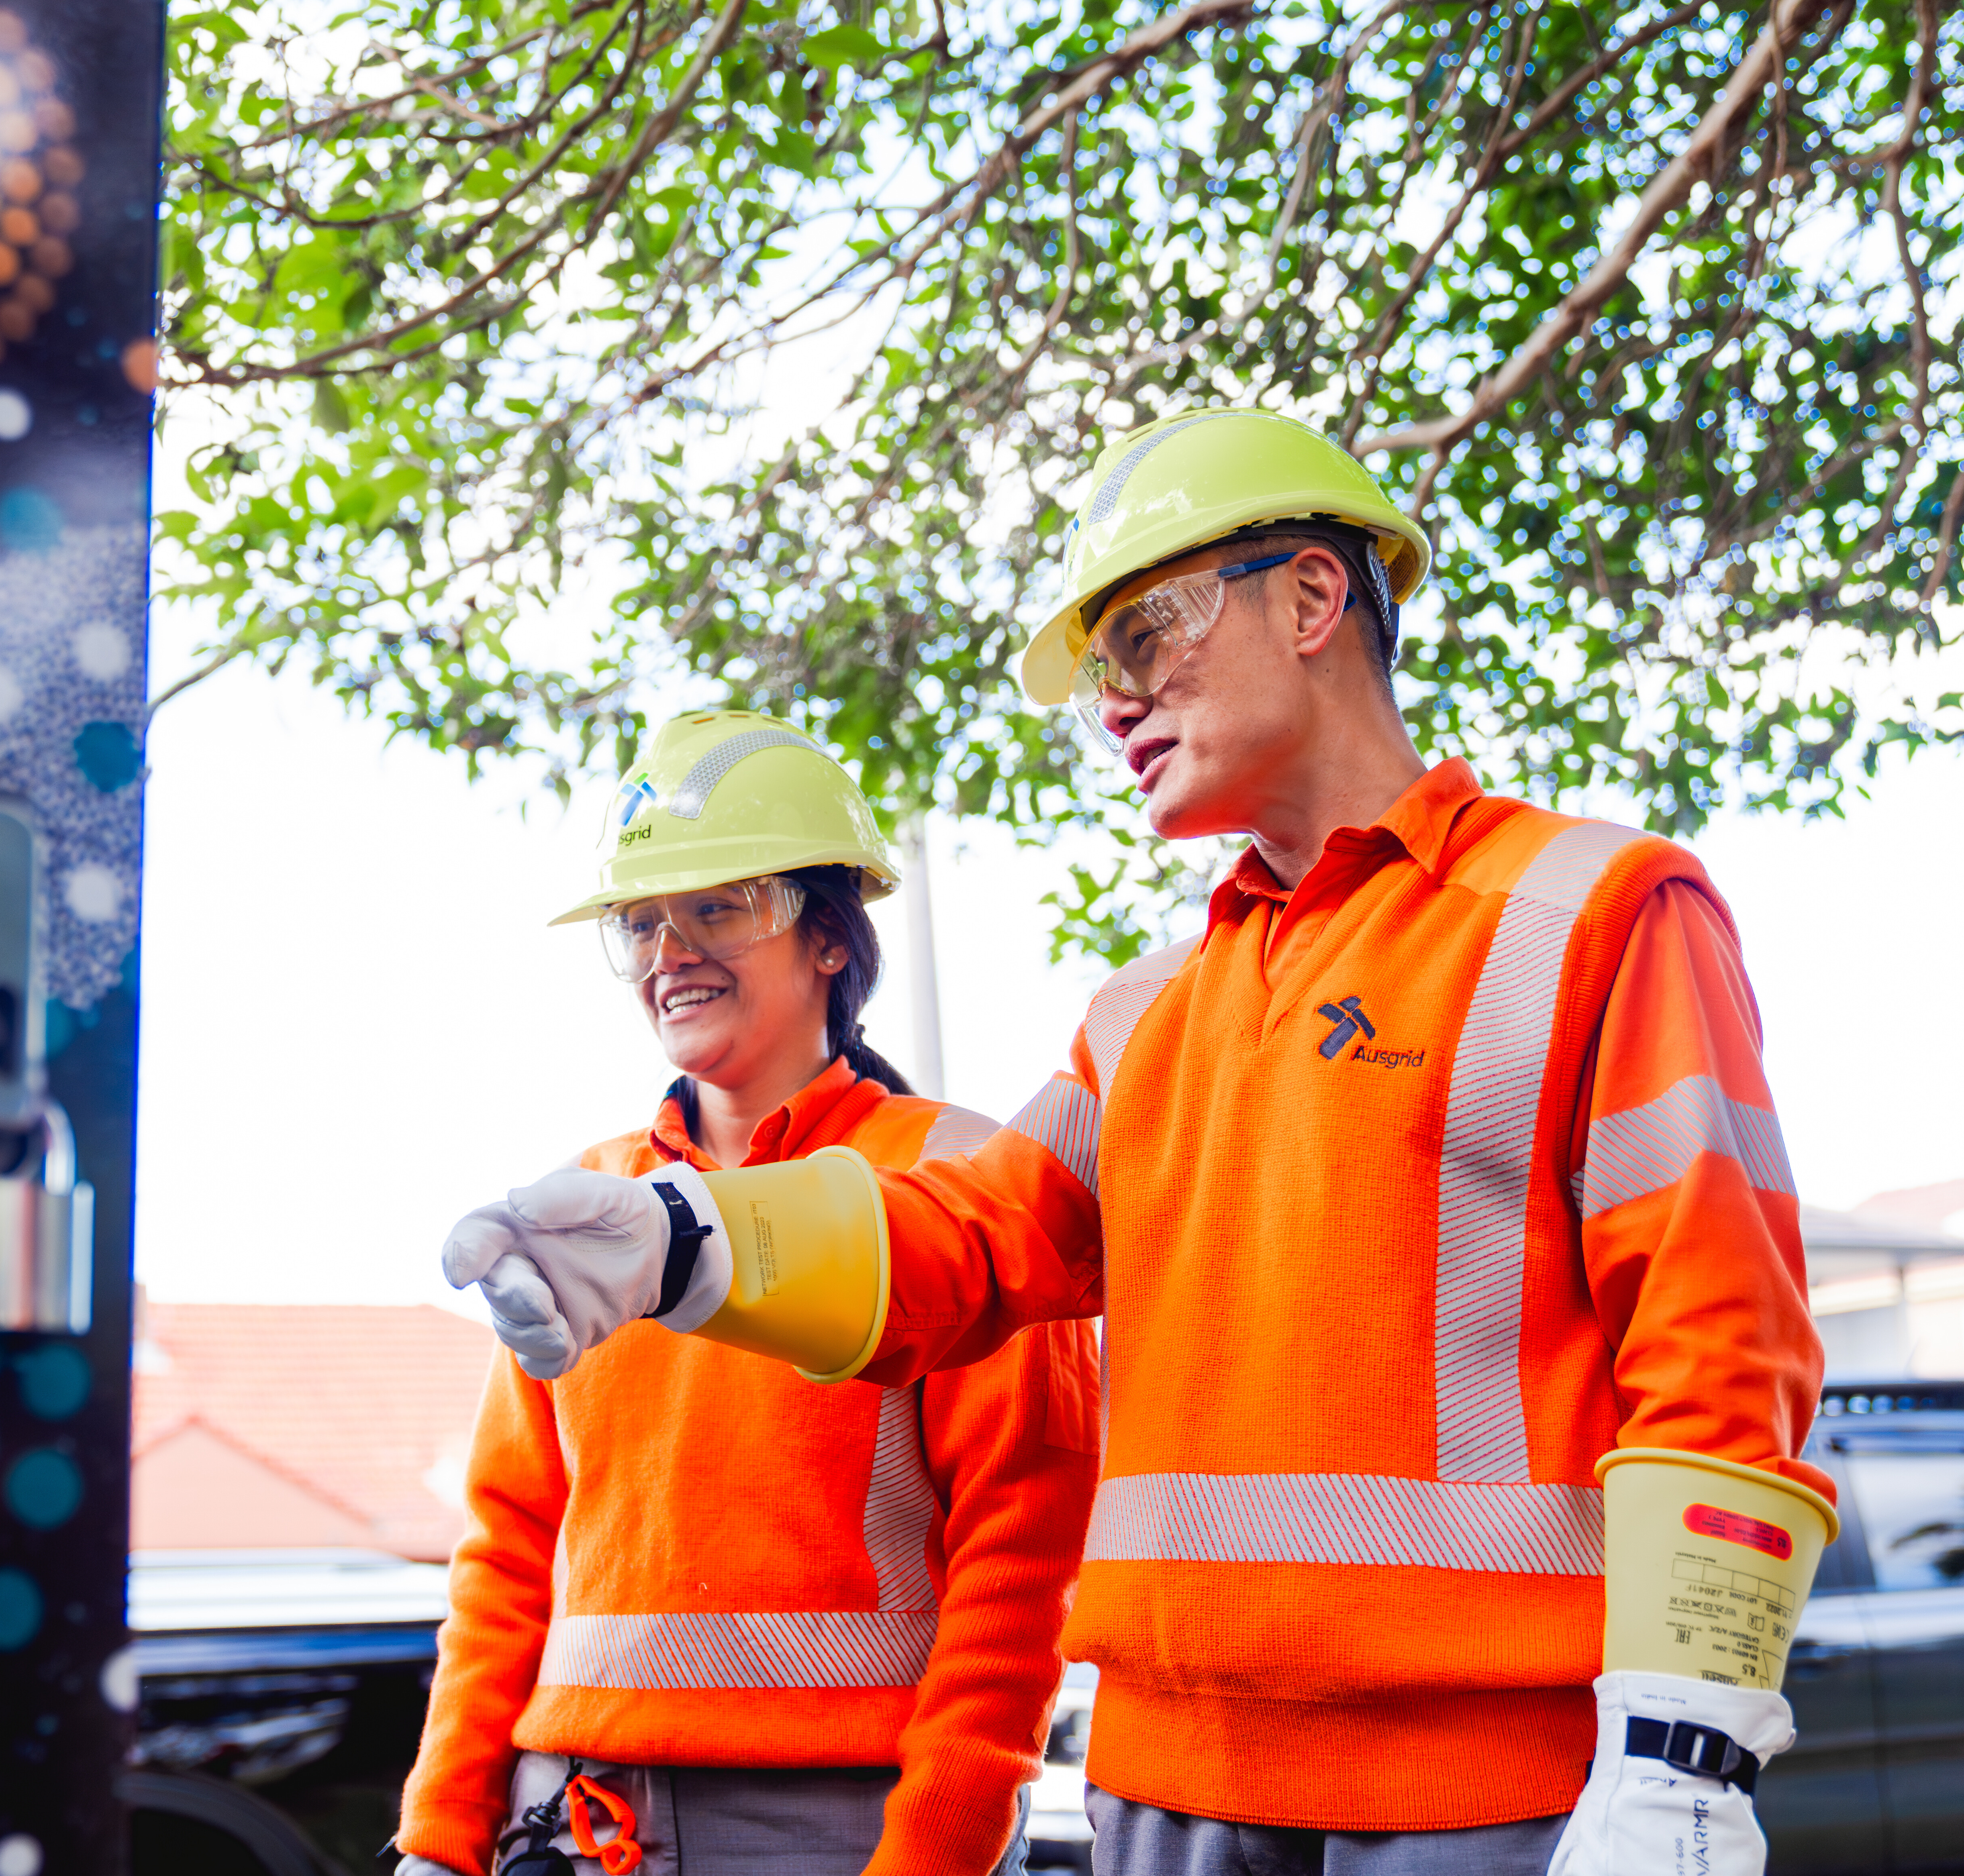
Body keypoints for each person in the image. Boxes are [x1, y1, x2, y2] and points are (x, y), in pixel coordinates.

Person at [446, 412, 1832, 1876]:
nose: (1115, 698)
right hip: (1162, 1794)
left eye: (1145, 634)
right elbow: (965, 1244)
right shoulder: (1147, 1010)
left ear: (1311, 599)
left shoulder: (1595, 912)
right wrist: (688, 1243)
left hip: (1486, 1797)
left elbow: (1717, 1345)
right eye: (1102, 665)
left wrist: (1690, 1749)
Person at [400, 711, 1099, 1876]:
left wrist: (940, 1851)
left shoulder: (957, 1188)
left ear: (831, 938)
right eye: (641, 925)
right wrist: (439, 1835)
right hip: (569, 1813)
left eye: (717, 909)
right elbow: (511, 1545)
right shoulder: (588, 1200)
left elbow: (1020, 1561)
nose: (671, 951)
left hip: (833, 1822)